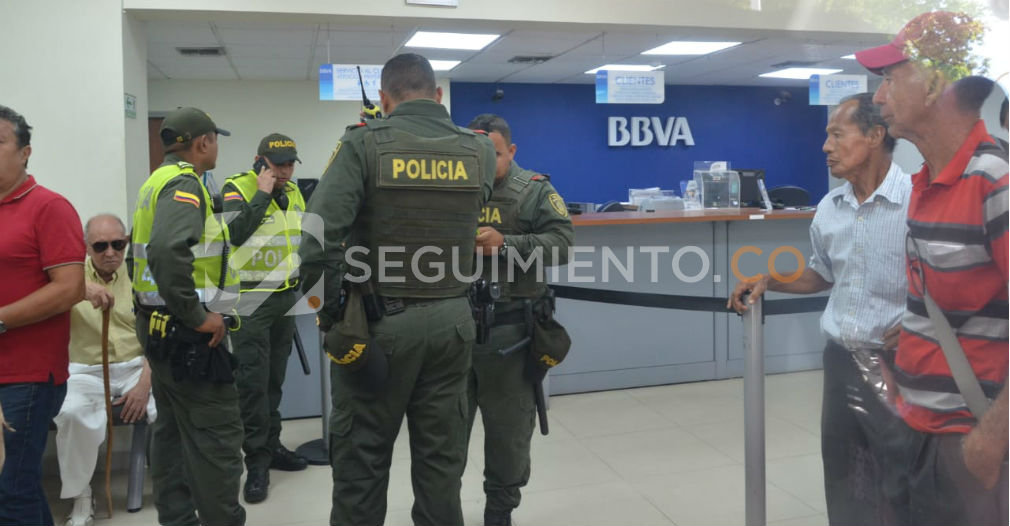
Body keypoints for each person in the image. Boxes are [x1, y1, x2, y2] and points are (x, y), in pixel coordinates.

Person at [298, 53, 495, 526]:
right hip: (453, 322)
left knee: (362, 465)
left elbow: (315, 241)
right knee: (441, 466)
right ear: (438, 94)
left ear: (384, 100)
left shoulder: (363, 145)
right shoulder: (480, 150)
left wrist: (331, 321)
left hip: (378, 326)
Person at [728, 93, 911, 525]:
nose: (825, 146)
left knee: (903, 478)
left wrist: (924, 322)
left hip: (901, 365)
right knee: (845, 477)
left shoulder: (918, 201)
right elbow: (823, 275)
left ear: (875, 135)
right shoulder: (830, 208)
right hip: (841, 362)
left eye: (835, 134)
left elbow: (951, 279)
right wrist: (770, 280)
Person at [856, 11, 1008, 525]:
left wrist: (989, 443)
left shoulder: (996, 185)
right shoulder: (924, 182)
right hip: (913, 427)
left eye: (890, 79)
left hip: (966, 441)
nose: (878, 98)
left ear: (936, 82)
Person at [131, 106, 246, 525]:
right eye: (215, 139)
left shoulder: (154, 181)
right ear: (201, 142)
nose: (216, 146)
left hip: (159, 329)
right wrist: (197, 315)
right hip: (189, 337)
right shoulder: (184, 184)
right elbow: (165, 251)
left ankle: (179, 519)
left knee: (174, 435)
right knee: (217, 441)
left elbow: (140, 256)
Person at [464, 113, 574, 526]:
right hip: (455, 330)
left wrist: (506, 244)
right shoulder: (454, 190)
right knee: (443, 433)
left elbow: (562, 245)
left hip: (510, 331)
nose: (484, 163)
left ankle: (499, 510)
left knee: (508, 433)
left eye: (492, 154)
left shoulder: (533, 191)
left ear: (511, 151)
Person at [0, 105, 86, 525]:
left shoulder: (49, 207)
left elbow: (70, 288)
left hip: (26, 376)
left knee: (11, 489)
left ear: (25, 152)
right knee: (12, 488)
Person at [55, 213, 157, 526]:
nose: (110, 252)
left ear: (126, 243)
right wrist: (78, 287)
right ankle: (81, 495)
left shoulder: (144, 275)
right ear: (86, 247)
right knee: (71, 414)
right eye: (100, 245)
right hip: (85, 371)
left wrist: (143, 383)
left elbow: (160, 334)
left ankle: (173, 485)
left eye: (117, 244)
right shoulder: (70, 276)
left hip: (137, 368)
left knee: (175, 406)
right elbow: (35, 281)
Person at [222, 133, 308, 504]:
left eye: (290, 163)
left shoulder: (297, 191)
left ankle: (271, 447)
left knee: (274, 379)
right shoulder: (236, 189)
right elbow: (234, 235)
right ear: (260, 161)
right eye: (278, 164)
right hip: (250, 300)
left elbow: (300, 238)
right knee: (252, 383)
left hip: (284, 298)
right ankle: (255, 462)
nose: (285, 170)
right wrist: (262, 193)